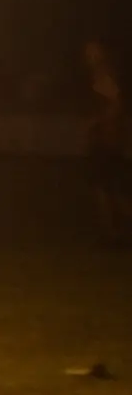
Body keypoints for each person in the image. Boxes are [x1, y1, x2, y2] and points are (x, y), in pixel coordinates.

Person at [84, 40, 129, 244]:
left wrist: (102, 124)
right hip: (103, 140)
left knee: (106, 188)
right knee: (104, 188)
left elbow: (116, 104)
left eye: (92, 51)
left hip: (106, 141)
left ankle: (112, 232)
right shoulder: (99, 75)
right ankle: (111, 232)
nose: (89, 55)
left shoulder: (103, 75)